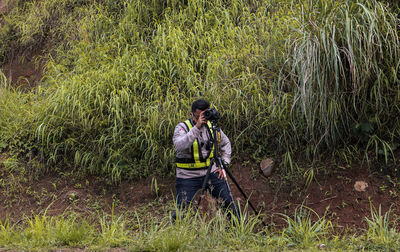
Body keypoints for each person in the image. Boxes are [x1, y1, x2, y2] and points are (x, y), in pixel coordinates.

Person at [172, 99, 233, 219]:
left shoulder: (212, 127)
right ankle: (180, 234)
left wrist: (224, 164)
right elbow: (180, 145)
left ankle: (237, 230)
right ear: (191, 114)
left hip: (211, 172)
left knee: (228, 204)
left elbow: (226, 144)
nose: (202, 118)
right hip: (187, 176)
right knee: (182, 212)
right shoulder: (182, 127)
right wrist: (197, 127)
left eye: (204, 115)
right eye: (197, 116)